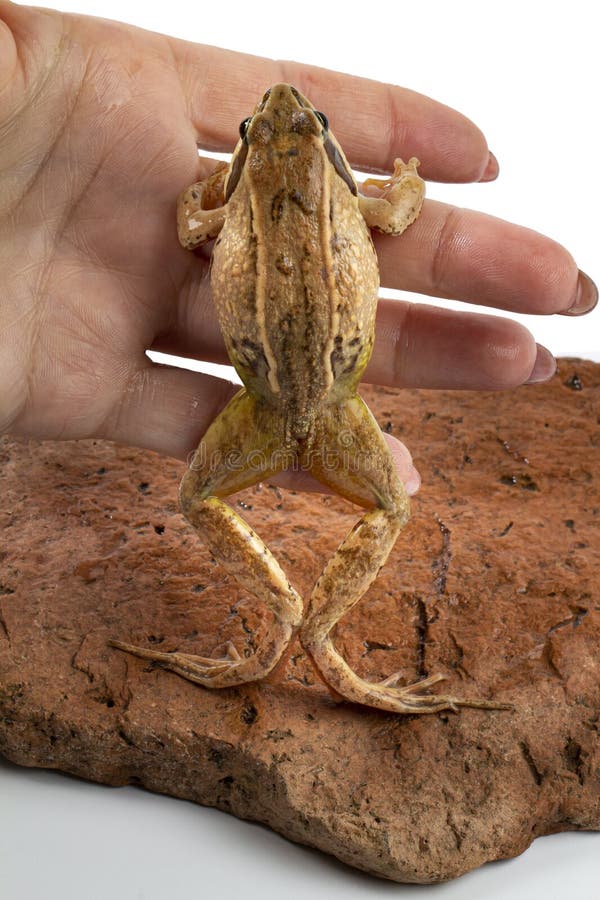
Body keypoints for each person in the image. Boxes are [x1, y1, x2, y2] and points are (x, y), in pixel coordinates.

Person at [0, 1, 596, 494]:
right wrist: (407, 179)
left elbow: (188, 226)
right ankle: (309, 624)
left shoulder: (233, 206)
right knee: (389, 507)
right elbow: (399, 211)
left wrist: (211, 187)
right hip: (320, 388)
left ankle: (293, 615)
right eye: (250, 133)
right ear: (329, 151)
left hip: (276, 390)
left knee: (201, 501)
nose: (278, 108)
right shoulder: (354, 202)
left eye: (310, 121)